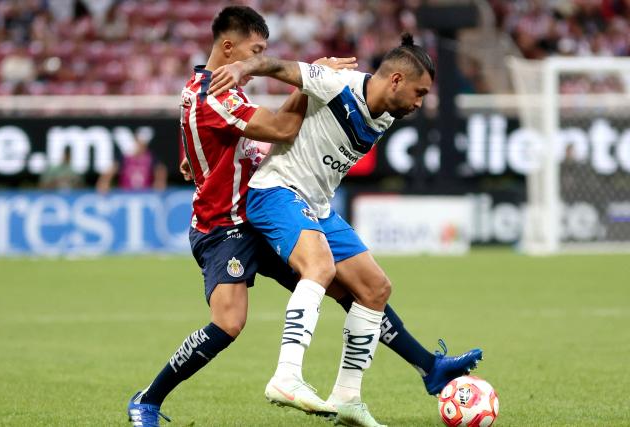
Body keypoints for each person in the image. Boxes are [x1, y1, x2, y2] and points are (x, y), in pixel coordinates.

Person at [209, 33, 483, 426]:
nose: (421, 103)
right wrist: (242, 66)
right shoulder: (337, 84)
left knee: (375, 288)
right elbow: (279, 67)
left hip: (317, 207)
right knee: (319, 267)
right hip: (276, 191)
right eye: (419, 92)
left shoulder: (386, 115)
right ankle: (287, 376)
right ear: (396, 81)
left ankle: (348, 397)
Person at [127, 7, 356, 426]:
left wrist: (194, 163)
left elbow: (202, 145)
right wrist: (311, 79)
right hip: (223, 226)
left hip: (255, 217)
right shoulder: (213, 91)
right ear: (228, 47)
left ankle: (425, 367)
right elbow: (283, 128)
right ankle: (147, 399)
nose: (259, 59)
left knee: (347, 285)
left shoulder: (209, 87)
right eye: (256, 50)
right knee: (229, 323)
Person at [96, 129, 167, 193]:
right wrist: (104, 182)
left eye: (142, 143)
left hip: (145, 193)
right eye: (138, 142)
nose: (140, 145)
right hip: (126, 193)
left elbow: (160, 169)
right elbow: (111, 170)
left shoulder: (151, 157)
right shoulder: (125, 157)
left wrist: (159, 182)